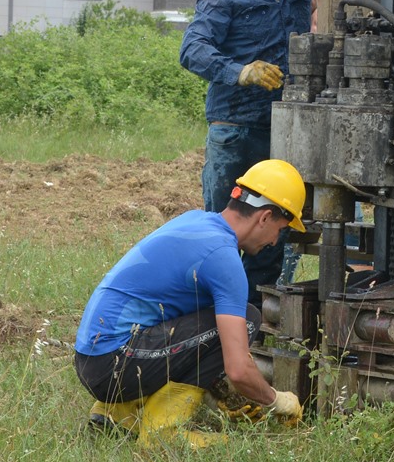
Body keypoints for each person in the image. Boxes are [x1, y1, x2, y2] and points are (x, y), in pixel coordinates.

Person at [180, 0, 380, 299]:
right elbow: (192, 50)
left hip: (284, 128)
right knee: (227, 229)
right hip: (235, 127)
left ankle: (263, 311)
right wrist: (240, 71)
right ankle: (217, 314)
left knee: (274, 228)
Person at [74, 159, 309, 446]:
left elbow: (186, 321)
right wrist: (277, 400)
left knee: (215, 317)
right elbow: (238, 368)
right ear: (264, 217)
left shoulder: (195, 221)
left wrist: (215, 389)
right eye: (280, 230)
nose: (275, 242)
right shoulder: (223, 258)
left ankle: (116, 413)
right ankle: (162, 432)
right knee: (247, 318)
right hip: (113, 366)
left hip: (93, 358)